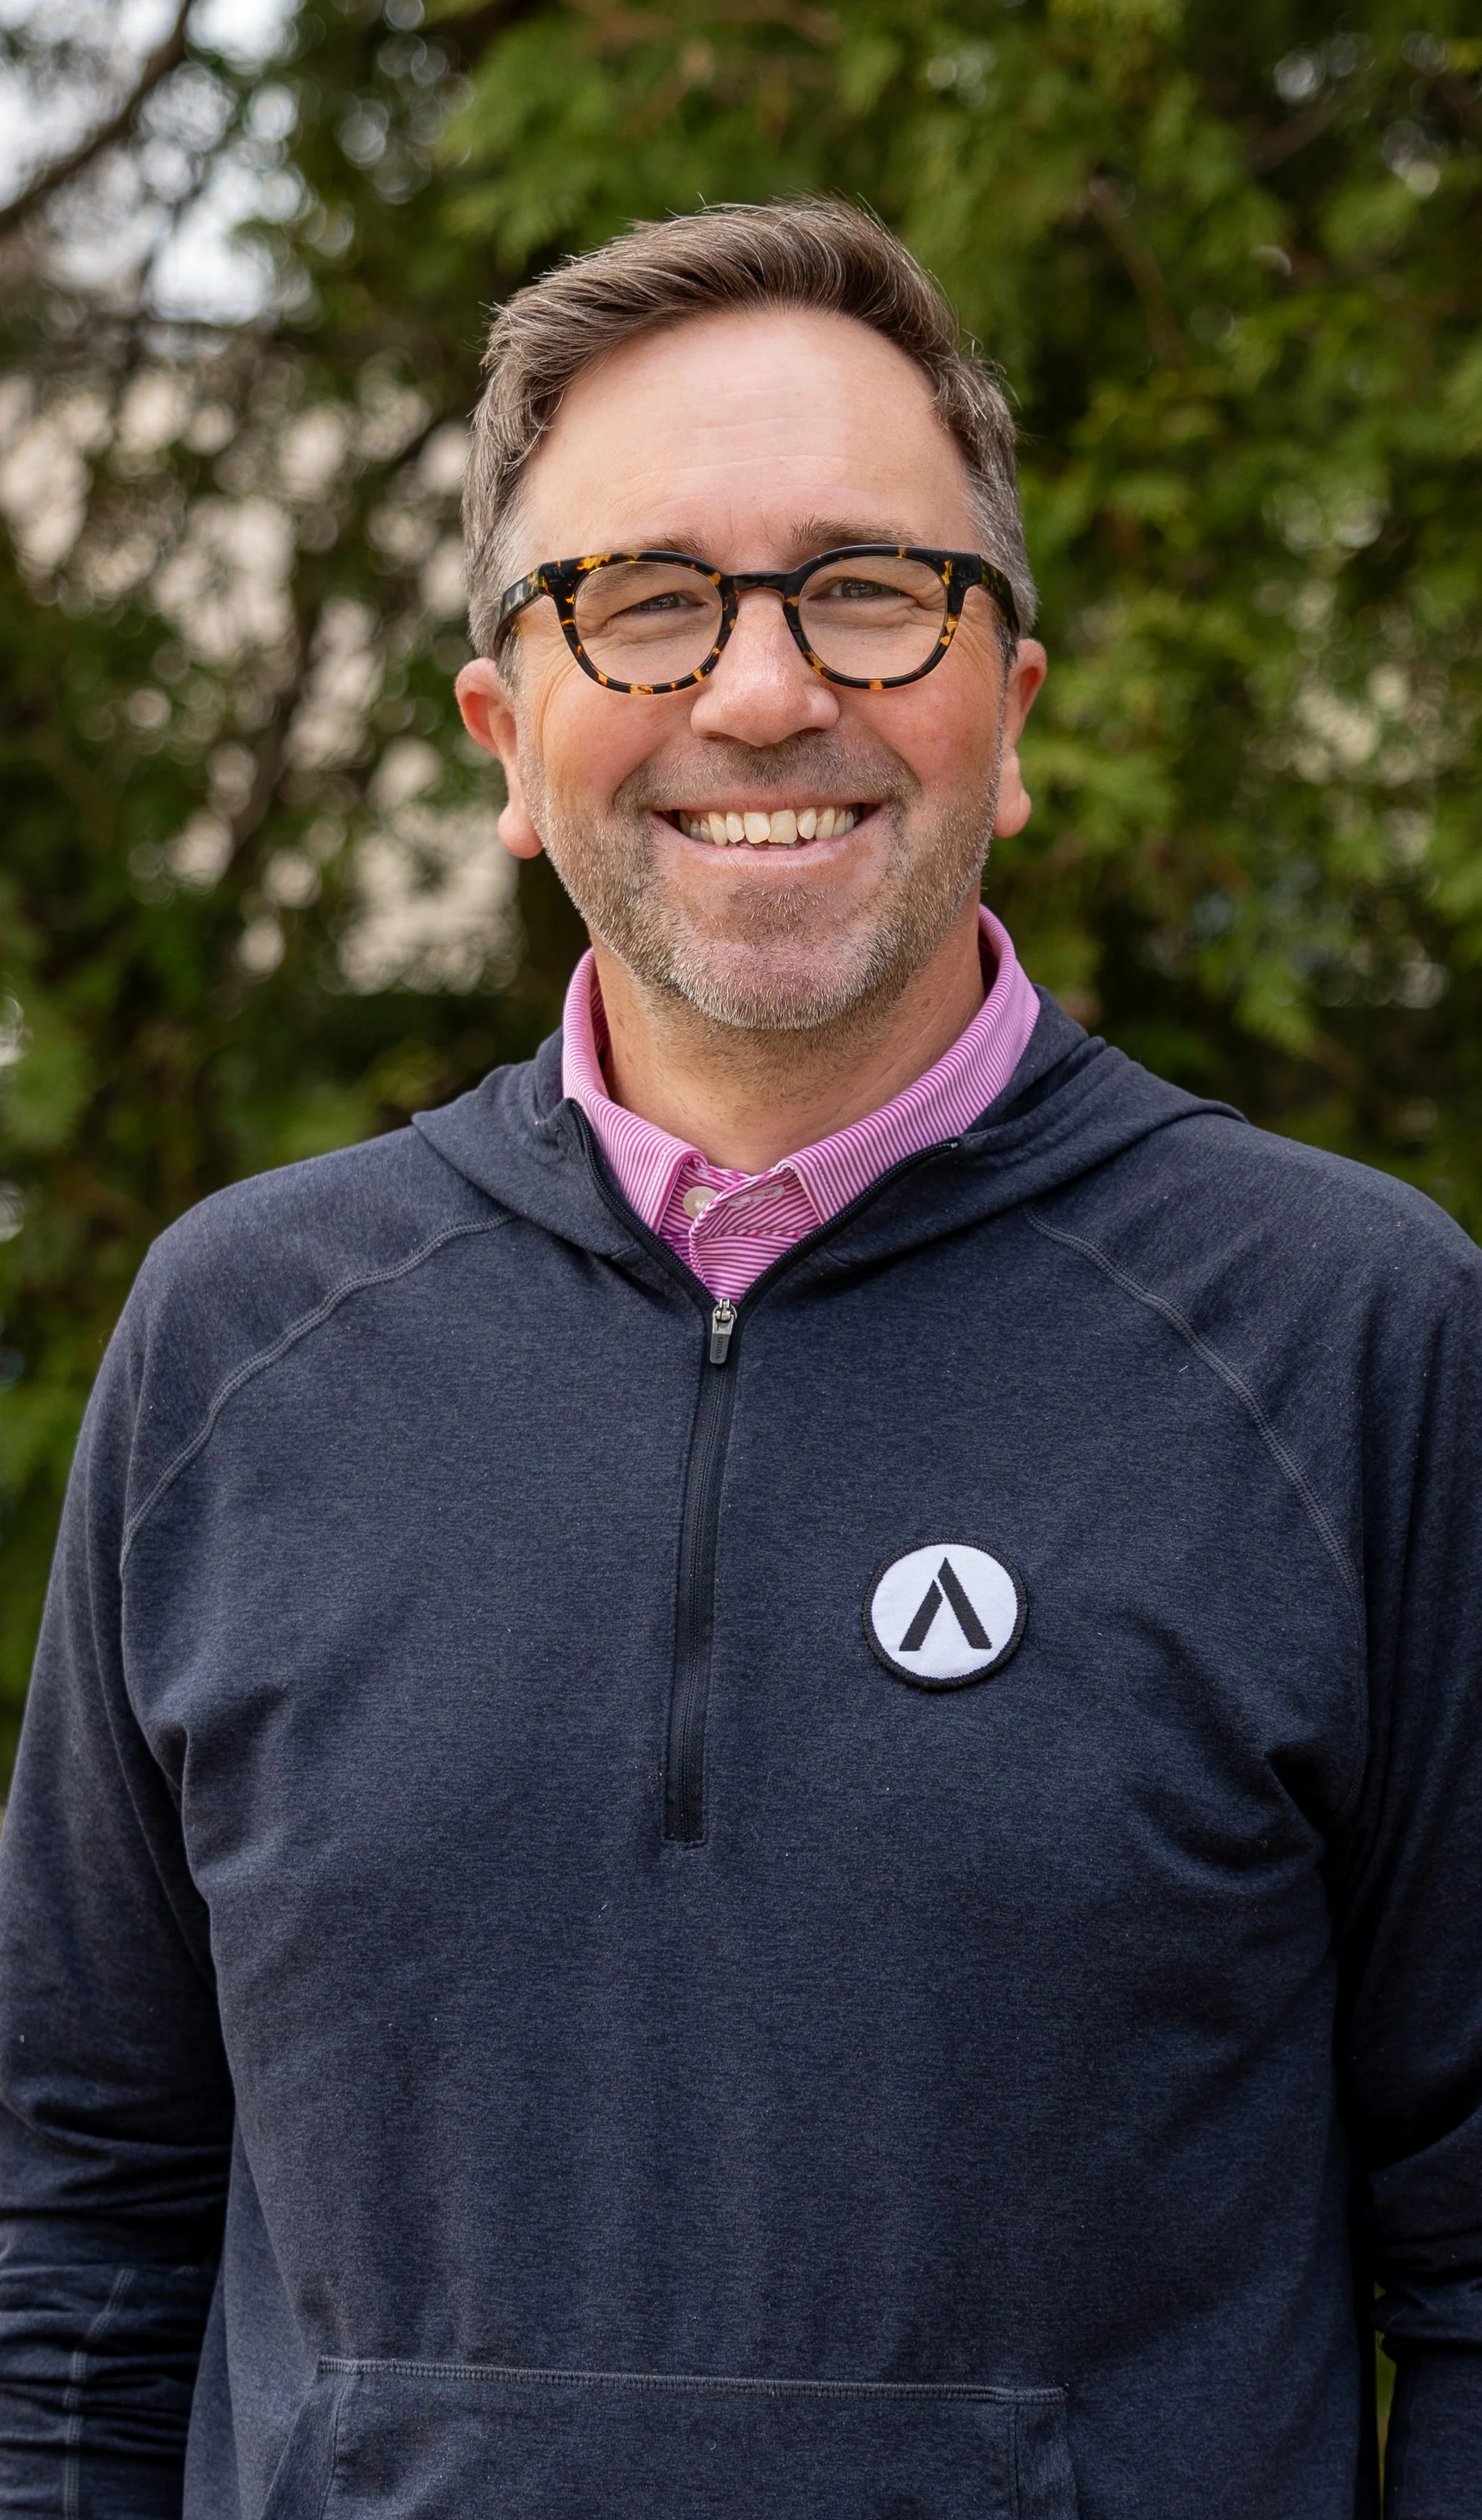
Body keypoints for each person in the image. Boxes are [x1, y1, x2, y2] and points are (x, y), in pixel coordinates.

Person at [0, 199, 1478, 2520]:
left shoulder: (1356, 1339)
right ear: (508, 732)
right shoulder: (238, 1344)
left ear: (1012, 714)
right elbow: (70, 2232)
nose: (764, 692)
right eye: (648, 601)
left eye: (870, 591)